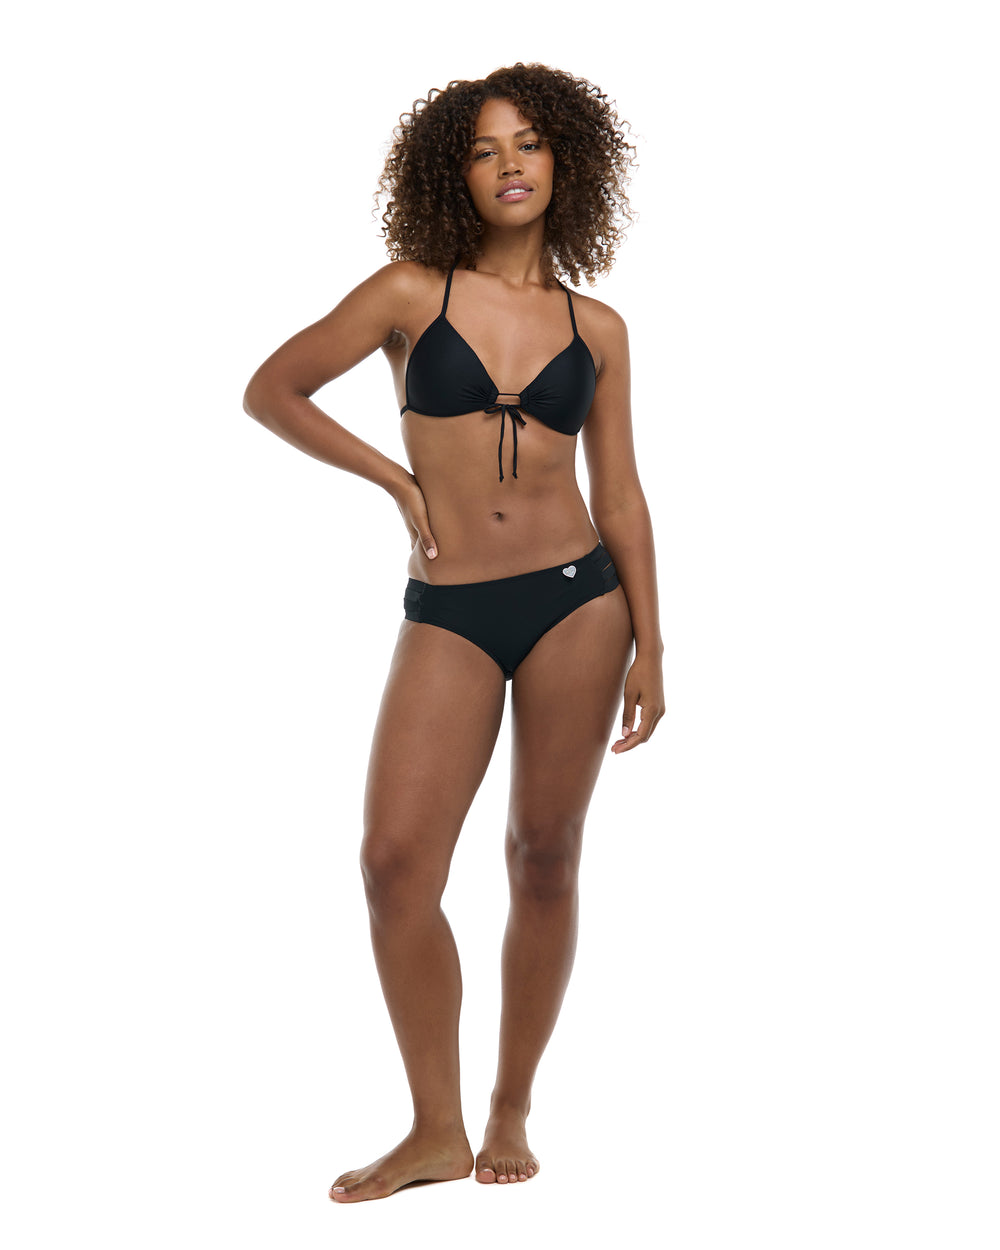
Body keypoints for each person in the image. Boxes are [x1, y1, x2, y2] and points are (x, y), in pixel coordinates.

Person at [243, 62, 665, 1203]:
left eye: (529, 142)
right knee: (394, 861)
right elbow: (273, 389)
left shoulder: (598, 326)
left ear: (566, 160)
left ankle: (510, 1103)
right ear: (452, 173)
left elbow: (621, 494)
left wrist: (655, 644)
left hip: (580, 601)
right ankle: (434, 1125)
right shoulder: (407, 293)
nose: (509, 164)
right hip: (453, 606)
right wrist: (393, 478)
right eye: (483, 149)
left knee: (545, 852)